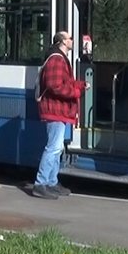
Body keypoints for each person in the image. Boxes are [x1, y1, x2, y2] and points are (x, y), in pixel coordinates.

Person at [32, 31, 87, 200]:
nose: (72, 40)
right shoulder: (56, 59)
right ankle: (40, 183)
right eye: (70, 38)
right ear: (62, 41)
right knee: (53, 147)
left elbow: (65, 82)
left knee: (57, 148)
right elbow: (55, 86)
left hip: (58, 110)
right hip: (55, 110)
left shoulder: (60, 58)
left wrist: (81, 85)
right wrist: (76, 92)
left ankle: (51, 182)